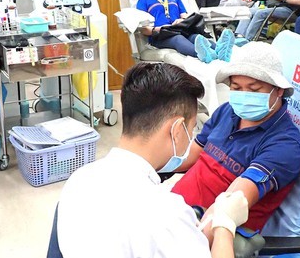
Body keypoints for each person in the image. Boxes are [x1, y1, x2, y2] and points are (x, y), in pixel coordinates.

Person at [56, 62, 249, 258]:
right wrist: (225, 225)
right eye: (191, 129)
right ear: (176, 130)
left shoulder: (80, 180)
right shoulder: (167, 214)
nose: (191, 137)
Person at [171, 41, 300, 234]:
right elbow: (191, 154)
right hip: (175, 211)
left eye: (253, 90)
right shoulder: (227, 111)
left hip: (206, 233)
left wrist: (188, 242)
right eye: (236, 87)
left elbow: (232, 204)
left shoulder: (285, 145)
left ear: (278, 90)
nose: (244, 96)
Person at [137, 0, 236, 63]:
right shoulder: (143, 1)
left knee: (197, 37)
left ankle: (223, 50)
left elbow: (185, 16)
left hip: (180, 30)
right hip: (161, 35)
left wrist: (181, 21)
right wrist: (161, 28)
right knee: (178, 39)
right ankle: (208, 56)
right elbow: (143, 29)